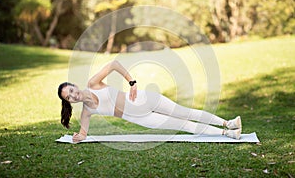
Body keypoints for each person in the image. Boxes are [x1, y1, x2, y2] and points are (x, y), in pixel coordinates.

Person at [58, 60, 242, 143]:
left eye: (72, 91)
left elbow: (114, 64)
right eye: (69, 98)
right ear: (69, 102)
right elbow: (83, 133)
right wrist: (79, 137)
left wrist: (132, 83)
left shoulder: (92, 84)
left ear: (75, 85)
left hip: (145, 99)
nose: (73, 96)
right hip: (140, 119)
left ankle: (229, 123)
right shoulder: (86, 112)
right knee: (185, 125)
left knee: (186, 113)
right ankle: (227, 134)